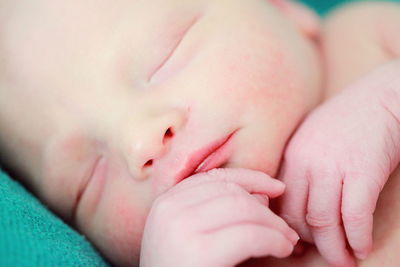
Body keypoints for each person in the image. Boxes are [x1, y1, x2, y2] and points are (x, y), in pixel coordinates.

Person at [0, 0, 322, 266]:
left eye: (165, 58)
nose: (140, 142)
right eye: (86, 180)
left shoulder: (360, 45)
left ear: (280, 8)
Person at [244, 1, 400, 267]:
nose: (146, 143)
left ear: (283, 11)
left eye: (168, 58)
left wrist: (389, 97)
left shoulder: (359, 35)